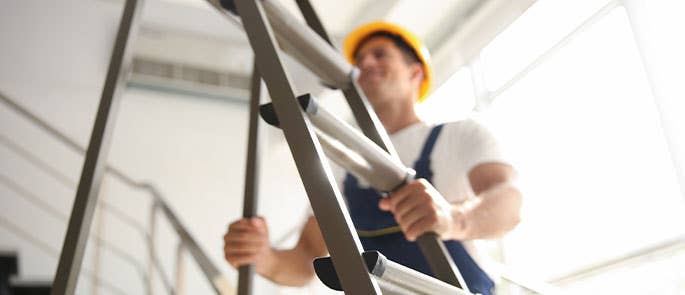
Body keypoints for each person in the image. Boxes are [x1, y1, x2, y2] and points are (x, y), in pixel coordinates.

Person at [224, 21, 522, 295]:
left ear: (415, 72)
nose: (365, 63)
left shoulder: (461, 134)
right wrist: (264, 258)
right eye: (360, 59)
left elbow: (508, 199)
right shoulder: (344, 161)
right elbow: (305, 260)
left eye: (380, 54)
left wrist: (455, 219)